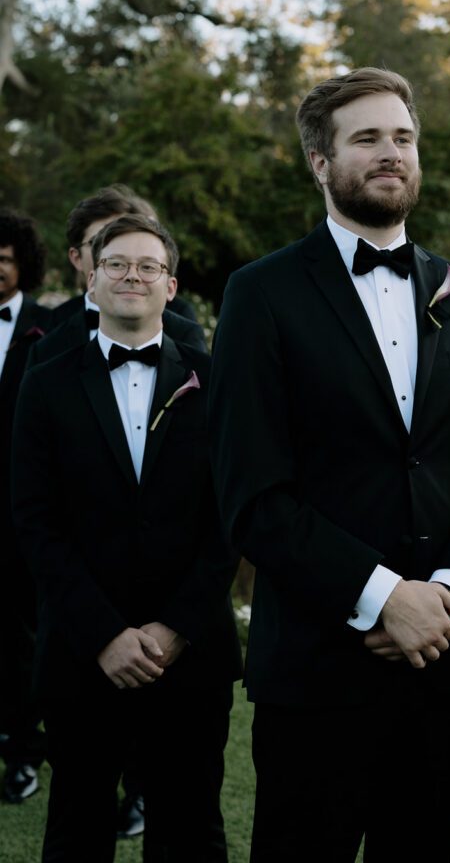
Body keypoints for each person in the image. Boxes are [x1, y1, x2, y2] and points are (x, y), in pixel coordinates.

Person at [209, 67, 450, 862]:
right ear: (320, 162)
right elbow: (252, 495)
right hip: (318, 670)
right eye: (368, 139)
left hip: (442, 671)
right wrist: (384, 597)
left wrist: (445, 598)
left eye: (404, 138)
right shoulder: (261, 294)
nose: (392, 153)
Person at [12, 214, 242, 862]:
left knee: (191, 828)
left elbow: (232, 516)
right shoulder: (45, 381)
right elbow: (34, 519)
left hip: (191, 653)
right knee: (77, 827)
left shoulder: (216, 379)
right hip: (83, 654)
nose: (131, 276)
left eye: (147, 266)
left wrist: (173, 628)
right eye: (116, 264)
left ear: (171, 287)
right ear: (91, 277)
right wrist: (104, 634)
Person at [32, 185, 206, 368]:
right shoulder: (52, 327)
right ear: (77, 258)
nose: (131, 274)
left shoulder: (183, 329)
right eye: (101, 242)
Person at [0, 209, 51, 804]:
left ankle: (24, 750)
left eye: (5, 257)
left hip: (23, 509)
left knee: (24, 634)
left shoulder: (46, 326)